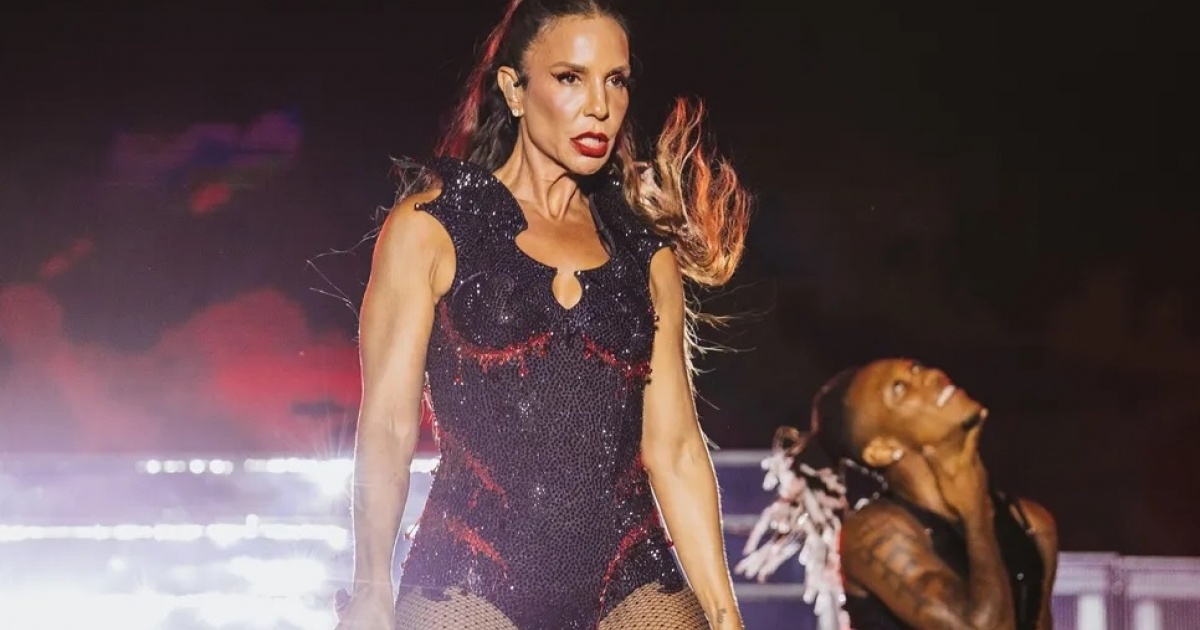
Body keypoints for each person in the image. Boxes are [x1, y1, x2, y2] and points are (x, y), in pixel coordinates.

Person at [335, 1, 751, 628]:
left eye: (616, 80)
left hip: (627, 573)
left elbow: (675, 448)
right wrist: (371, 587)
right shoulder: (432, 229)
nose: (600, 106)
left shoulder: (644, 254)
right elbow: (390, 425)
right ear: (514, 89)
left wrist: (724, 614)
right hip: (471, 573)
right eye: (570, 77)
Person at [738, 359, 1059, 630]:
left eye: (917, 369)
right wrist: (975, 510)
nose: (932, 376)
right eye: (901, 389)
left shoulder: (1031, 523)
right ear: (882, 449)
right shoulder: (872, 535)